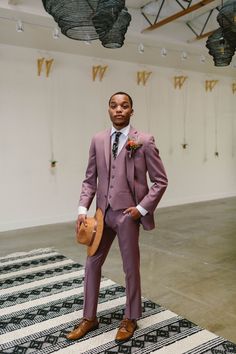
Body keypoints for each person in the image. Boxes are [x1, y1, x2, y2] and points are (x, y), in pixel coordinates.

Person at [66, 92, 168, 343]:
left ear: (132, 111)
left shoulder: (143, 141)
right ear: (108, 110)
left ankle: (130, 318)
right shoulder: (98, 140)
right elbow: (90, 179)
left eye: (124, 106)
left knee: (130, 267)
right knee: (91, 264)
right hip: (102, 214)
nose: (119, 109)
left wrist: (141, 209)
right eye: (114, 106)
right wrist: (82, 210)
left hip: (127, 216)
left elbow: (160, 181)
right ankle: (89, 317)